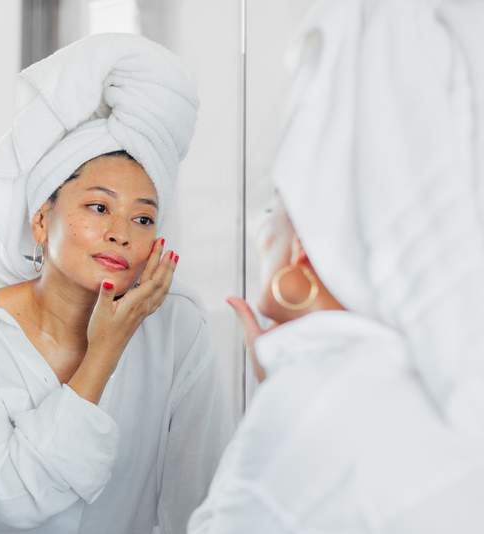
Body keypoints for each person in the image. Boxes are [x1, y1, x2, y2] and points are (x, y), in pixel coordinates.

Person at [188, 0, 484, 532]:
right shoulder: (446, 379)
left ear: (308, 245)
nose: (261, 229)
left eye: (275, 204)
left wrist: (284, 393)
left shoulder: (314, 411)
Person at [0, 33, 222, 534]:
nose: (120, 233)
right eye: (98, 207)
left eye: (144, 219)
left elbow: (199, 491)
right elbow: (4, 502)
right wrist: (104, 351)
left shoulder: (178, 325)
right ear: (41, 221)